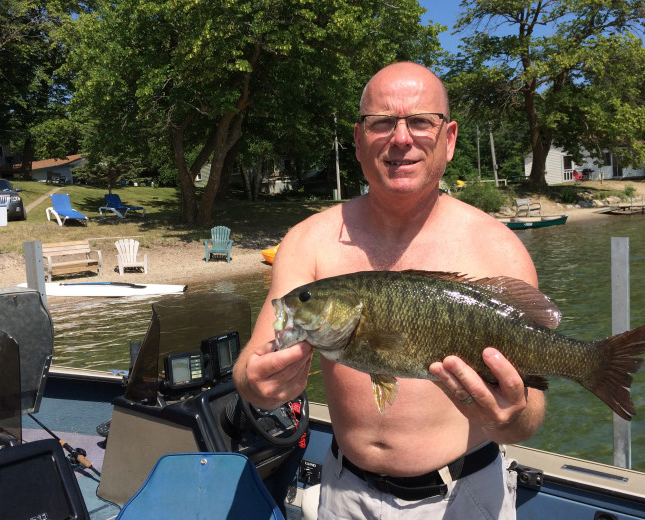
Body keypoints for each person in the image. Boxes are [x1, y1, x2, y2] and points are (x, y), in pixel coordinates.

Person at [233, 61, 545, 519]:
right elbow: (251, 366)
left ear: (450, 138)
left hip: (465, 496)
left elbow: (530, 414)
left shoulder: (499, 248)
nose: (402, 138)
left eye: (421, 121)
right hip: (344, 491)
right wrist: (257, 386)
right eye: (382, 123)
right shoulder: (307, 241)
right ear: (358, 141)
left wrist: (513, 418)